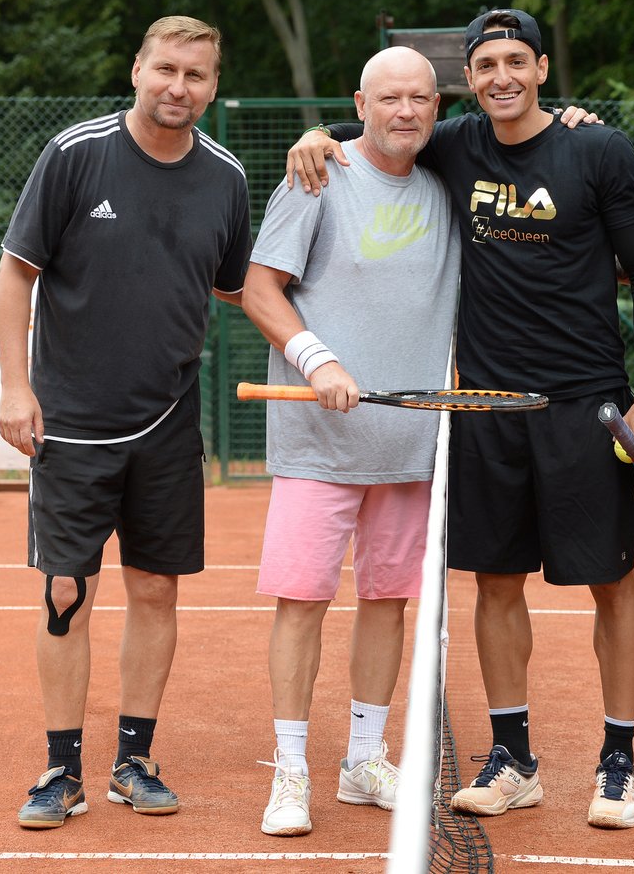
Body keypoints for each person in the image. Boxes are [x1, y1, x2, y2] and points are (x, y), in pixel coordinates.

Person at [287, 9, 634, 830]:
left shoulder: (597, 149)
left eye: (516, 62)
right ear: (470, 76)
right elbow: (382, 129)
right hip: (488, 405)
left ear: (540, 69)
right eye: (486, 63)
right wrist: (316, 135)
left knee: (612, 580)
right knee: (496, 583)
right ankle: (514, 760)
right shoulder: (454, 143)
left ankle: (618, 760)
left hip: (585, 402)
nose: (502, 76)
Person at [0, 16, 252, 829]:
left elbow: (241, 287)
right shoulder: (76, 154)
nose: (180, 87)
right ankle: (60, 769)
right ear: (137, 68)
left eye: (197, 76)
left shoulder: (228, 176)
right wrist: (14, 386)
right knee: (66, 592)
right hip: (69, 420)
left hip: (170, 424)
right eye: (166, 69)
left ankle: (134, 760)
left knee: (155, 588)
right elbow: (14, 274)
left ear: (213, 86)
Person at [241, 46, 461, 837]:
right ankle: (292, 769)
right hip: (318, 441)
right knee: (303, 602)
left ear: (437, 107)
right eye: (389, 98)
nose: (405, 112)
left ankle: (363, 758)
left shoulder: (448, 187)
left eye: (420, 99)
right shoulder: (316, 176)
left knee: (386, 603)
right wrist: (317, 357)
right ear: (359, 103)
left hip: (411, 443)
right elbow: (261, 287)